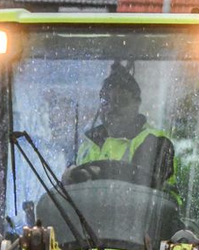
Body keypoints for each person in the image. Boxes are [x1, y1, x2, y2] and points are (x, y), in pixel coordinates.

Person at [64, 62, 177, 193]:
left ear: (137, 103)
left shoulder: (155, 142)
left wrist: (96, 174)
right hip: (84, 213)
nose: (112, 108)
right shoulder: (87, 146)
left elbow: (141, 192)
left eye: (121, 101)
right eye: (106, 102)